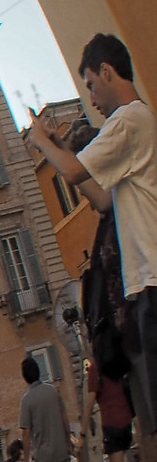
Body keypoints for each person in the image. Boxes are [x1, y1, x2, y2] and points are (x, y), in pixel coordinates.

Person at [32, 35, 155, 418]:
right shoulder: (136, 123)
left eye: (90, 86)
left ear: (106, 71)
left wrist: (40, 143)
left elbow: (70, 173)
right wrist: (62, 150)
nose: (91, 98)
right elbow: (103, 200)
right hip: (144, 280)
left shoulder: (129, 119)